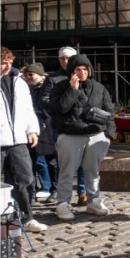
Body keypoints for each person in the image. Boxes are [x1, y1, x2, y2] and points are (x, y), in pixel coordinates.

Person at [50, 53, 115, 221]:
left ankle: (94, 200)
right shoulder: (60, 87)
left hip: (95, 134)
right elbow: (60, 109)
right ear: (71, 71)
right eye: (78, 69)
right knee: (67, 171)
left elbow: (109, 111)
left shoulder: (99, 88)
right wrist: (72, 90)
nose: (82, 72)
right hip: (71, 134)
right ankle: (62, 203)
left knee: (93, 172)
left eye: (85, 69)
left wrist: (109, 135)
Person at [0, 48, 46, 233]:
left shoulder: (19, 81)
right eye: (3, 62)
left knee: (25, 178)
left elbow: (27, 108)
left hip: (18, 139)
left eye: (10, 62)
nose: (7, 66)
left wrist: (32, 129)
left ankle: (27, 217)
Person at [41, 46, 87, 207]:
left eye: (69, 58)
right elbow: (44, 100)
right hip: (61, 125)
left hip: (81, 124)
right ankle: (60, 193)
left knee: (84, 161)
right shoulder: (53, 78)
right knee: (62, 163)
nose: (65, 61)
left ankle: (83, 192)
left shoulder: (84, 76)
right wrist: (60, 103)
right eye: (62, 58)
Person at [24, 63, 58, 202]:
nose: (28, 77)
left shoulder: (49, 86)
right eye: (26, 75)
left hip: (47, 127)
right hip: (29, 128)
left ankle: (55, 190)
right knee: (29, 163)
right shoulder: (24, 88)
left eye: (31, 74)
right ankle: (31, 192)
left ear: (40, 75)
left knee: (52, 161)